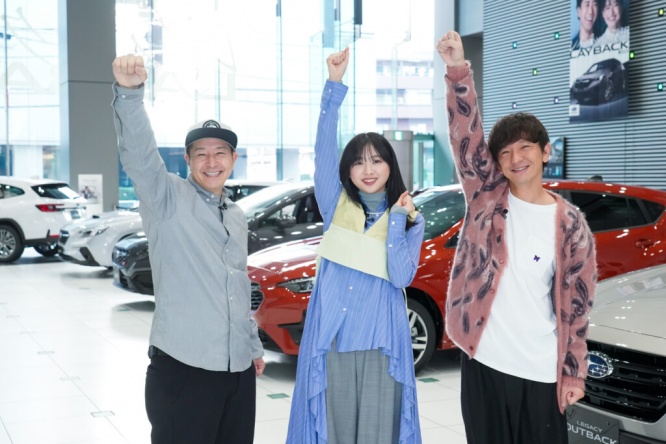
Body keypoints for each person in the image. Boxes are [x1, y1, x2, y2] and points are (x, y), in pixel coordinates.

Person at [437, 31, 597, 444]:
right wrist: (457, 71)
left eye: (524, 147)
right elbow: (466, 137)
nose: (515, 158)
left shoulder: (571, 225)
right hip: (484, 361)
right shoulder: (486, 198)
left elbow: (577, 306)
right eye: (505, 152)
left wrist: (573, 372)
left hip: (540, 370)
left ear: (545, 152)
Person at [111, 54, 265, 444]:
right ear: (188, 160)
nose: (211, 162)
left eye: (220, 153)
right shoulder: (167, 199)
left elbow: (237, 285)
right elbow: (140, 155)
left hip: (237, 370)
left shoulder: (236, 215)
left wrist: (251, 346)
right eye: (201, 153)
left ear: (233, 159)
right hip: (185, 367)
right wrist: (130, 94)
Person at [286, 48, 425, 444]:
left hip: (382, 342)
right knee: (335, 432)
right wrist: (333, 86)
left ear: (390, 166)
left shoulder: (410, 219)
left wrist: (396, 221)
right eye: (358, 162)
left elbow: (400, 276)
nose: (368, 169)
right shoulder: (336, 206)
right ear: (347, 170)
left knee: (378, 434)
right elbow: (322, 151)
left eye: (377, 160)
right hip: (333, 336)